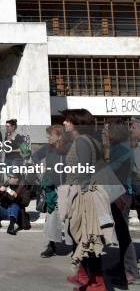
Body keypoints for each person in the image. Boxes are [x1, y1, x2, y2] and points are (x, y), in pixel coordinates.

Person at [59, 109, 110, 291]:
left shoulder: (81, 141)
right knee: (80, 238)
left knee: (87, 239)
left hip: (84, 196)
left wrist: (79, 200)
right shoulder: (89, 141)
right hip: (84, 193)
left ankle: (97, 284)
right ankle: (84, 277)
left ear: (76, 123)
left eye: (67, 121)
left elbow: (84, 173)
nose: (64, 123)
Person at [106, 119, 138, 286]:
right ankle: (122, 267)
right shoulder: (117, 147)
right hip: (116, 193)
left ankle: (131, 270)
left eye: (109, 130)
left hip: (122, 195)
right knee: (120, 233)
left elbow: (110, 169)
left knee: (124, 234)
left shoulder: (123, 149)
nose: (106, 133)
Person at [31, 125, 70, 258]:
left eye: (50, 135)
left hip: (66, 187)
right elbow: (35, 156)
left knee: (69, 216)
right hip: (51, 188)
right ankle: (51, 245)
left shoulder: (68, 148)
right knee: (52, 215)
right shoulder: (48, 148)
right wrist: (41, 168)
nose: (48, 138)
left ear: (59, 136)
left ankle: (75, 244)